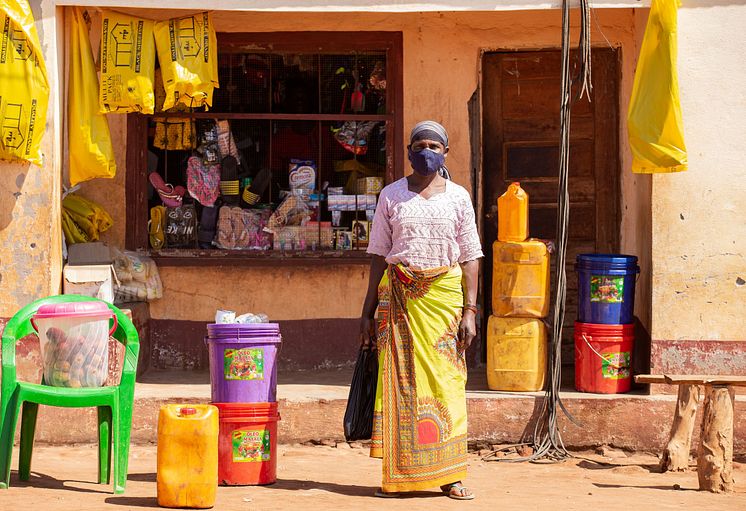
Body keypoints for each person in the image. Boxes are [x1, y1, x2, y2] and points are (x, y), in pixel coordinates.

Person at [360, 120, 483, 500]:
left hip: (444, 303)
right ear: (409, 151)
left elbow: (471, 257)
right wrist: (365, 312)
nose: (426, 151)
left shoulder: (459, 197)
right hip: (398, 302)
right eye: (419, 144)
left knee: (448, 385)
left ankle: (451, 475)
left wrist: (471, 311)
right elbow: (379, 254)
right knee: (399, 387)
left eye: (434, 145)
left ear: (445, 152)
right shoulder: (392, 196)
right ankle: (400, 476)